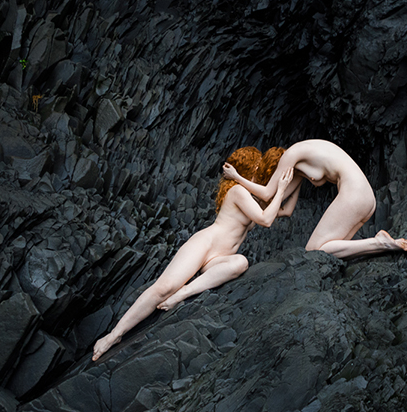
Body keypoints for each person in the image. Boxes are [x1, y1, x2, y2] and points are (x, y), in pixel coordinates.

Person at [92, 147, 295, 361]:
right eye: (256, 167)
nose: (259, 172)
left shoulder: (253, 198)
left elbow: (285, 211)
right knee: (163, 288)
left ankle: (183, 293)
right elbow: (265, 219)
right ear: (248, 168)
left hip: (218, 258)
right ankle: (114, 335)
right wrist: (279, 188)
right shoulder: (238, 191)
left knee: (240, 262)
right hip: (204, 245)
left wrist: (295, 182)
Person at [223, 139, 407, 259]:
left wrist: (236, 177)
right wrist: (261, 208)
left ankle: (379, 242)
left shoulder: (291, 154)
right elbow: (285, 209)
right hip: (364, 196)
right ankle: (382, 245)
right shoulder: (299, 168)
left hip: (355, 193)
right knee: (333, 254)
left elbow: (266, 193)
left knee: (313, 252)